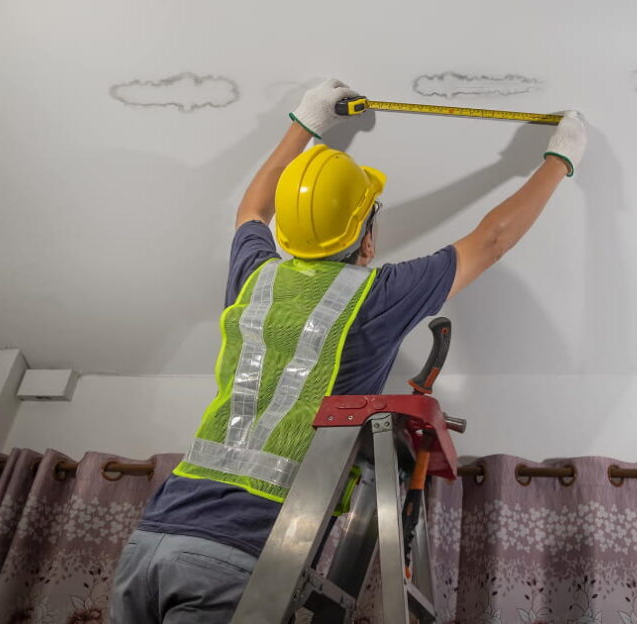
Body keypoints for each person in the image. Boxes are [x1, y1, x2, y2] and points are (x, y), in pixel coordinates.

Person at [110, 78, 586, 622]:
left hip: (151, 542)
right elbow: (492, 241)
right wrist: (561, 158)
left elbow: (250, 207)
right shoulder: (376, 295)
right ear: (366, 237)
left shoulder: (254, 275)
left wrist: (306, 123)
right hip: (238, 554)